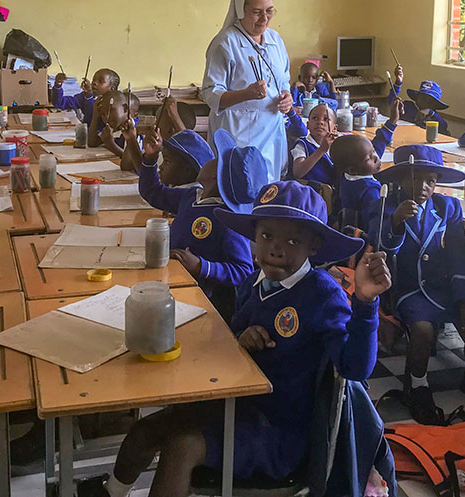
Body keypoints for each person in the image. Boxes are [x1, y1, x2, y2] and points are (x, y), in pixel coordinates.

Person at [89, 181, 391, 497]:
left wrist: (366, 303)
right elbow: (232, 342)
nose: (275, 248)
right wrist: (240, 339)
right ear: (254, 237)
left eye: (292, 241)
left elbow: (355, 368)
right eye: (266, 236)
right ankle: (112, 491)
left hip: (280, 433)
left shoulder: (322, 295)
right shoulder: (252, 284)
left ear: (313, 247)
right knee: (145, 429)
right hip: (237, 406)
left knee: (182, 448)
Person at [372, 146, 465, 423]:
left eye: (429, 180)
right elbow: (381, 248)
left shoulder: (447, 207)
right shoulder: (386, 206)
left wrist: (464, 299)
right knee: (422, 332)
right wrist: (395, 223)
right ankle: (417, 385)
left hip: (444, 288)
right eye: (414, 179)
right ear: (400, 180)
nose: (422, 187)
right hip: (407, 289)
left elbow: (458, 256)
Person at [139, 128, 262, 321]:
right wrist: (150, 158)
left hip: (204, 302)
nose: (209, 160)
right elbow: (153, 191)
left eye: (215, 161)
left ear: (216, 176)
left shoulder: (227, 219)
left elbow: (243, 271)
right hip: (173, 282)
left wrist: (201, 267)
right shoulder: (191, 196)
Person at [202, 0, 293, 183]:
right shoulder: (225, 43)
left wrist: (287, 97)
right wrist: (247, 94)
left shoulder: (275, 40)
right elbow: (210, 93)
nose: (264, 19)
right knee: (241, 188)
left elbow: (284, 78)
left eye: (269, 11)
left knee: (268, 190)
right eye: (256, 12)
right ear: (241, 11)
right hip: (239, 135)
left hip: (272, 134)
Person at [330, 99, 402, 236]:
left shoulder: (349, 174)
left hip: (347, 228)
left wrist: (392, 121)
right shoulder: (369, 189)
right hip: (362, 238)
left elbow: (377, 145)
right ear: (353, 169)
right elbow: (376, 219)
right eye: (370, 157)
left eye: (373, 151)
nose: (376, 157)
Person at [53, 67, 120, 126]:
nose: (94, 83)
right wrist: (58, 85)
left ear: (112, 88)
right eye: (94, 79)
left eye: (100, 81)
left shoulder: (113, 104)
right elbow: (59, 103)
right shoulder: (85, 96)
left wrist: (89, 96)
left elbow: (92, 120)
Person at [290, 103, 338, 185]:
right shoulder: (302, 145)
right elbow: (297, 172)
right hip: (310, 192)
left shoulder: (336, 146)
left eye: (326, 119)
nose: (320, 122)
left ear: (334, 128)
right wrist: (321, 150)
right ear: (308, 125)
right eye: (315, 118)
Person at [95, 90, 141, 171]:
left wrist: (110, 144)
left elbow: (128, 164)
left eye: (111, 110)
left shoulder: (136, 131)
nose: (107, 117)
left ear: (126, 109)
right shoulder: (116, 126)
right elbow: (92, 142)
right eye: (103, 114)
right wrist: (95, 114)